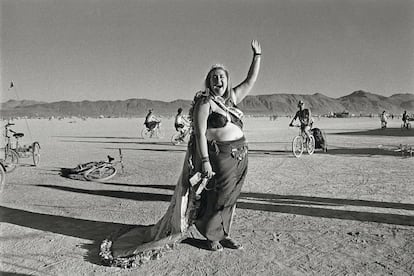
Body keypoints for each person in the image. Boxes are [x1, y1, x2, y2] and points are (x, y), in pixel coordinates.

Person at [99, 40, 261, 267]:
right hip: (220, 157)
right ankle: (211, 235)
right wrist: (205, 161)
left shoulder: (231, 100)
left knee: (231, 200)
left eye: (222, 77)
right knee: (217, 198)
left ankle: (224, 233)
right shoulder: (206, 103)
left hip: (240, 157)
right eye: (214, 77)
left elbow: (251, 80)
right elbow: (201, 134)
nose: (218, 81)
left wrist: (257, 56)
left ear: (227, 80)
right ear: (209, 81)